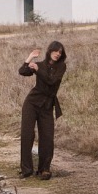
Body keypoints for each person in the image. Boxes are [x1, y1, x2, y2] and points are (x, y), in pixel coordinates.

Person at [18, 40, 67, 179]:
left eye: (60, 52)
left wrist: (39, 71)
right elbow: (23, 71)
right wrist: (30, 58)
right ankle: (26, 169)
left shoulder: (61, 67)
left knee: (47, 137)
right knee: (27, 135)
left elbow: (51, 81)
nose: (58, 54)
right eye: (56, 51)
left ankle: (44, 169)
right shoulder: (39, 64)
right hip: (32, 103)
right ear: (50, 50)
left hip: (47, 105)